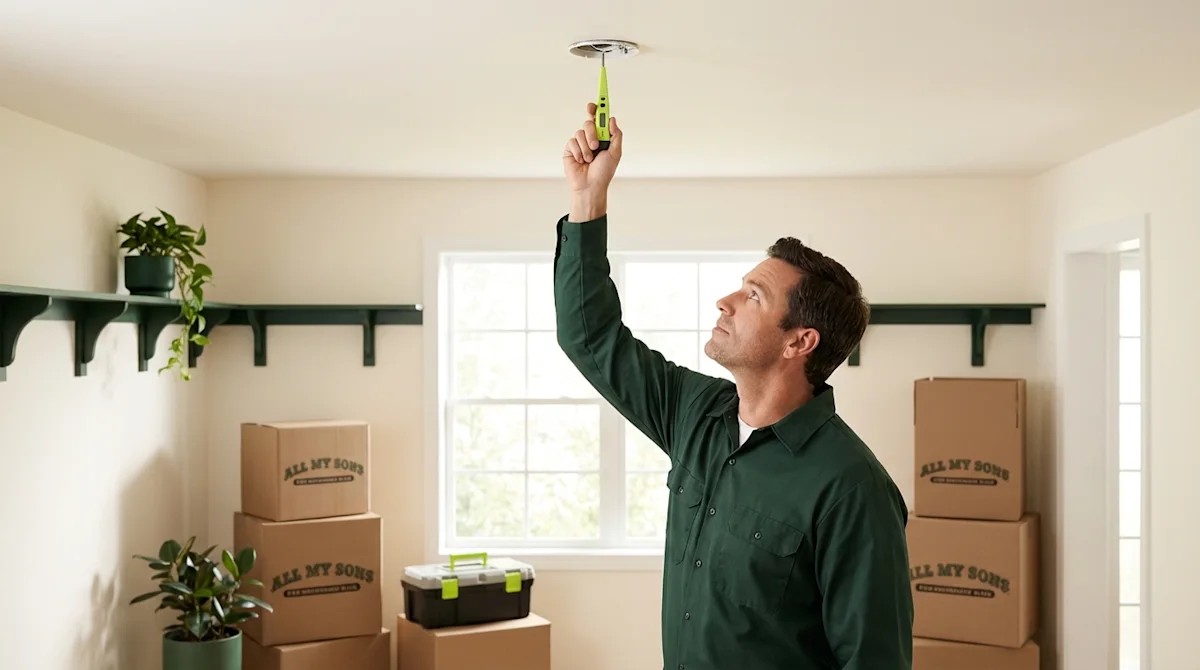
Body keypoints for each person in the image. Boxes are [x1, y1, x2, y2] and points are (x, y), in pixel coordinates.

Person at [552, 102, 914, 670]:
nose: (726, 302)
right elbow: (590, 338)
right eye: (741, 288)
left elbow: (874, 660)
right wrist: (587, 198)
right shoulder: (695, 412)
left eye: (754, 297)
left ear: (800, 343)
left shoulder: (852, 489)